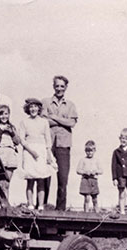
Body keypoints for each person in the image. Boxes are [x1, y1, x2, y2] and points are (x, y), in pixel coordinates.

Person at [41, 75, 78, 211]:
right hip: (48, 144)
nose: (59, 89)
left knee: (63, 178)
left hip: (64, 144)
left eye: (62, 86)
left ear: (66, 87)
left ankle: (60, 209)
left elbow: (72, 123)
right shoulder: (45, 102)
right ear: (53, 86)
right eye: (57, 86)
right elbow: (43, 121)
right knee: (44, 176)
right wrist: (63, 120)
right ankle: (42, 206)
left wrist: (54, 117)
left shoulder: (70, 105)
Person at [19, 98, 57, 211]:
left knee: (41, 179)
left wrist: (49, 154)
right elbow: (22, 139)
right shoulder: (24, 122)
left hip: (42, 151)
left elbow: (48, 139)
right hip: (29, 151)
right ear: (27, 109)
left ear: (39, 108)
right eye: (31, 107)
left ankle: (40, 205)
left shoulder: (44, 122)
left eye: (35, 107)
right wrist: (31, 151)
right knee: (30, 179)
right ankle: (30, 204)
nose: (33, 109)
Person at [0, 104, 20, 199]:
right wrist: (0, 131)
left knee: (7, 183)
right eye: (1, 114)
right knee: (0, 183)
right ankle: (1, 203)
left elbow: (17, 141)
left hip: (10, 154)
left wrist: (12, 133)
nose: (4, 116)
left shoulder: (12, 127)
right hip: (0, 154)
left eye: (6, 114)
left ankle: (6, 203)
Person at [76, 140, 103, 212]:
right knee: (87, 198)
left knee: (95, 198)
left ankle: (97, 213)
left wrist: (95, 171)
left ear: (94, 151)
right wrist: (85, 172)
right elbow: (78, 170)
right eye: (87, 151)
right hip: (85, 180)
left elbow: (101, 171)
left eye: (91, 151)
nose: (89, 152)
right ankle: (86, 213)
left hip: (93, 180)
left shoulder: (96, 160)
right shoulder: (83, 160)